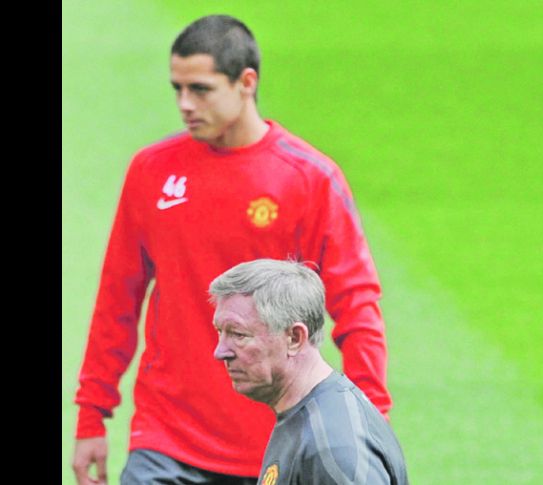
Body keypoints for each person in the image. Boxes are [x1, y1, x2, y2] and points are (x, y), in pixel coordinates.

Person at [72, 14, 391, 485]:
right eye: (177, 88)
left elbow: (358, 306)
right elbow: (118, 297)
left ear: (247, 82)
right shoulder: (151, 172)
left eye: (200, 89)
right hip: (165, 441)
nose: (184, 104)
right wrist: (90, 414)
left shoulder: (309, 180)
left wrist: (369, 414)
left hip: (277, 442)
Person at [209, 259, 408, 484]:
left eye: (238, 335)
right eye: (220, 332)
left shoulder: (333, 448)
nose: (220, 351)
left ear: (294, 338)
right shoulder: (303, 415)